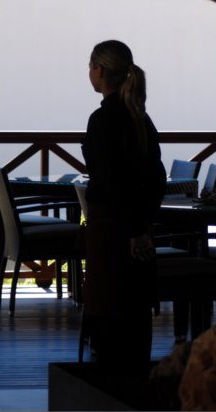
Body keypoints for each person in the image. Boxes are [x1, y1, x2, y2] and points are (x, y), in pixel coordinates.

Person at [81, 40, 166, 377]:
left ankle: (109, 389)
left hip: (110, 229)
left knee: (109, 313)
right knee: (135, 316)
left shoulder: (102, 120)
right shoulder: (140, 118)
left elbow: (110, 181)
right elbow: (156, 177)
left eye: (90, 66)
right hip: (138, 226)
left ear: (100, 70)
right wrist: (144, 226)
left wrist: (132, 228)